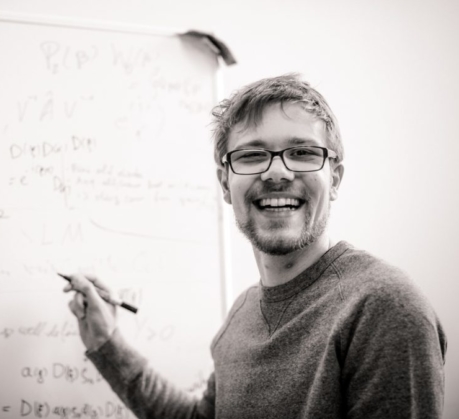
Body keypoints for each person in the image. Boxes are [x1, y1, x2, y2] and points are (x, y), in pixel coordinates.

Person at [62, 74, 447, 418]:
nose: (277, 171)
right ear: (226, 185)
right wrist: (106, 342)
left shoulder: (383, 305)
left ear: (336, 179)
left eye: (302, 152)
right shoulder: (243, 312)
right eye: (251, 155)